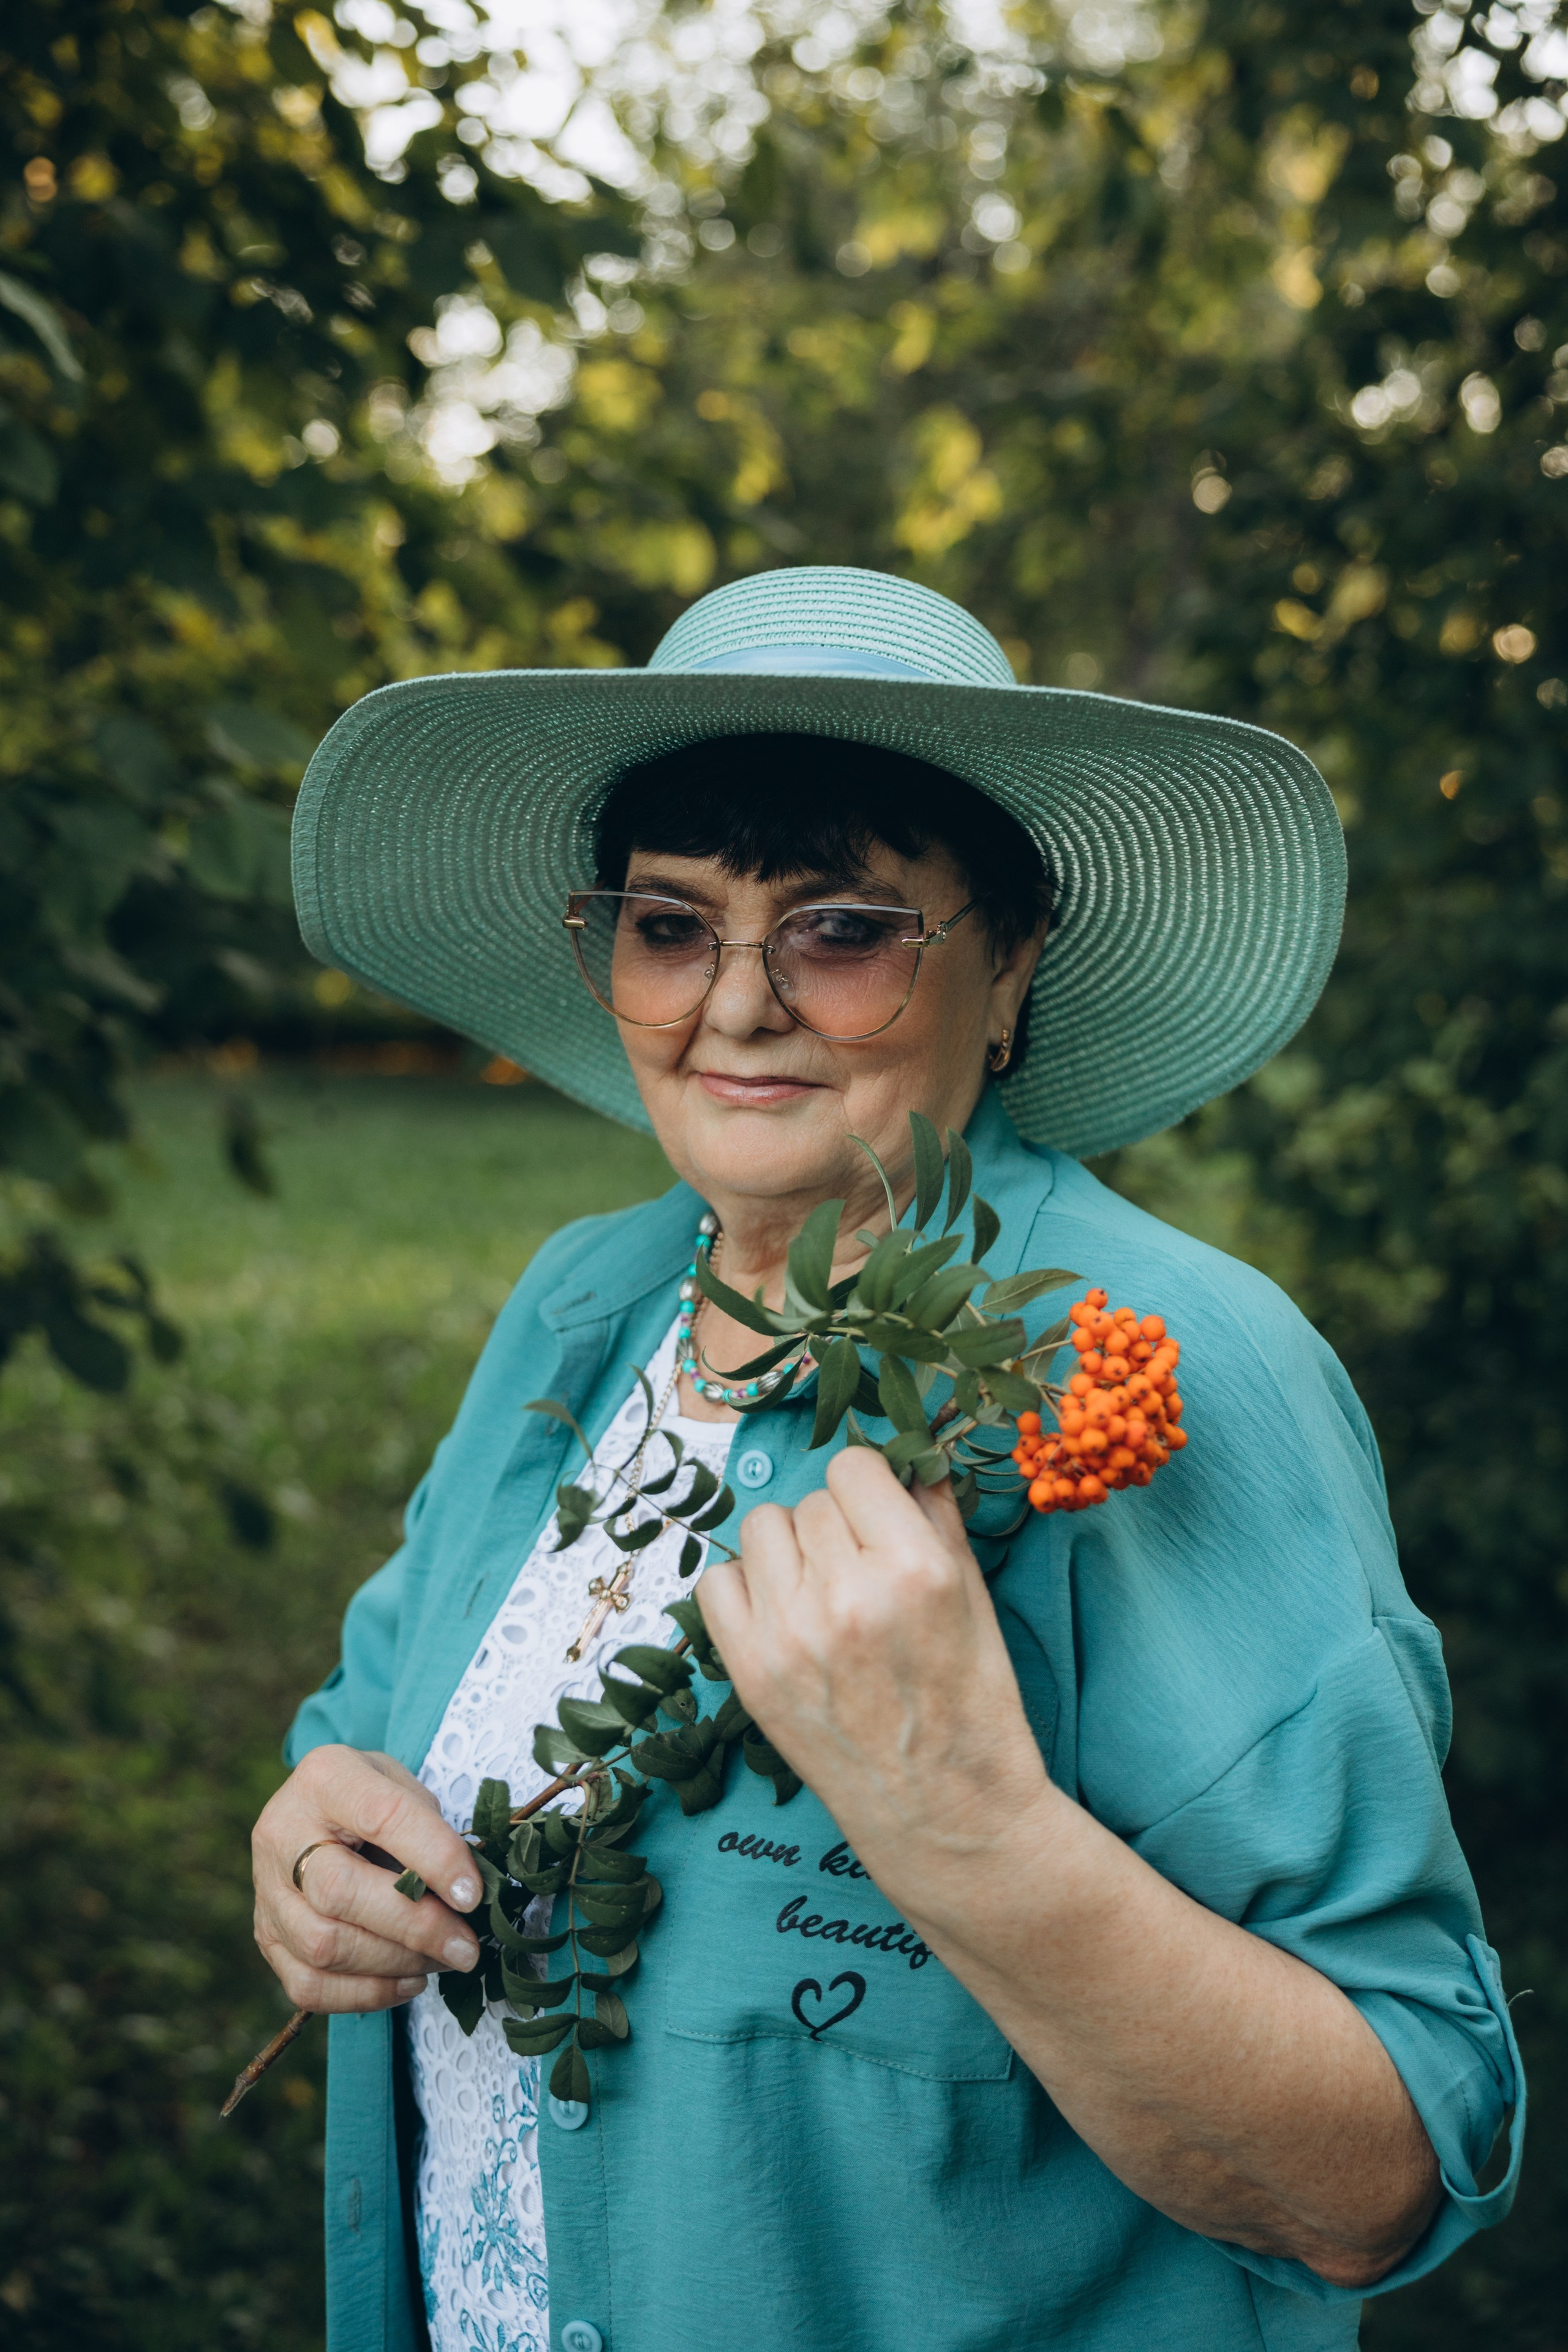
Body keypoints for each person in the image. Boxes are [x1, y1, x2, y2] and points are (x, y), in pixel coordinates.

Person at [255, 567, 1522, 2352]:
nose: (741, 1003)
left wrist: (971, 1830)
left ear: (1008, 967)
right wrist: (314, 1852)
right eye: (671, 924)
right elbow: (368, 1731)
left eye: (842, 929)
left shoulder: (1143, 1368)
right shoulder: (587, 1306)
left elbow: (1383, 2165)